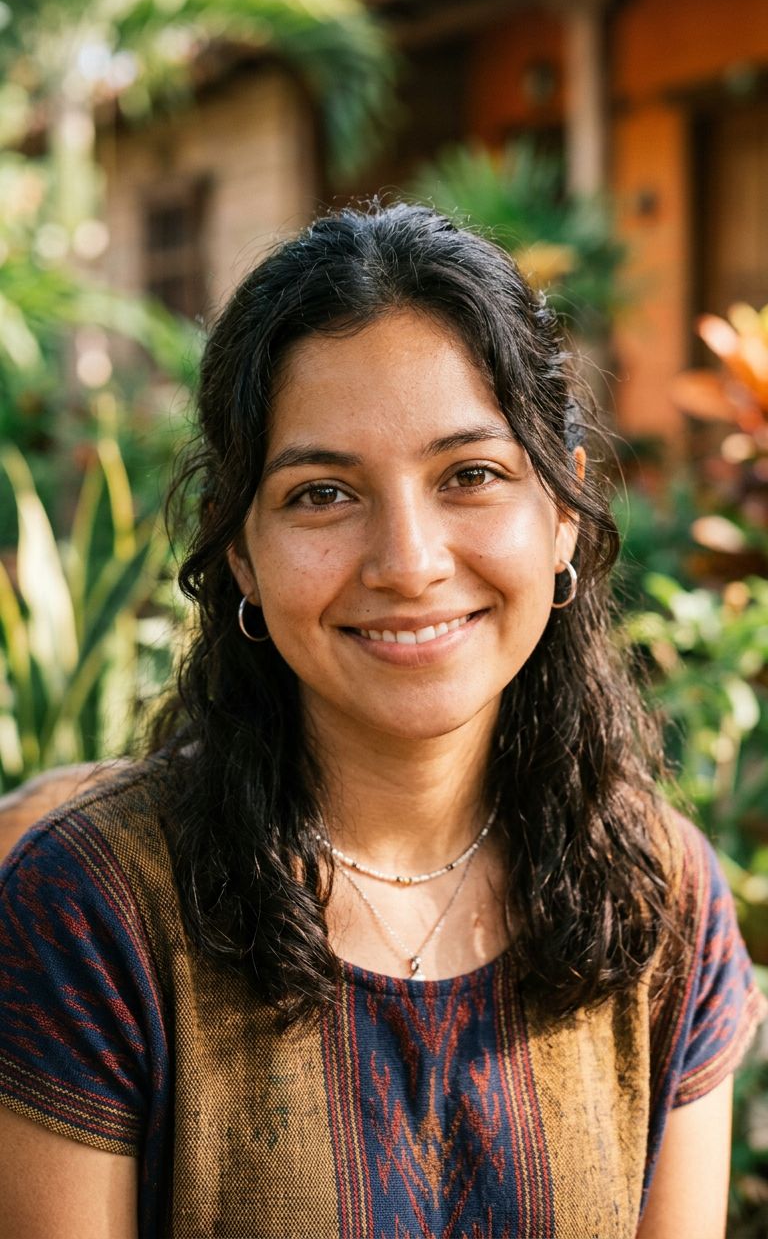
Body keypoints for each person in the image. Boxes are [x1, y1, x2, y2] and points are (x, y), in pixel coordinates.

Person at [0, 202, 764, 1239]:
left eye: (472, 475)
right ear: (241, 554)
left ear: (564, 514)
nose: (408, 562)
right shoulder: (91, 915)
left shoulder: (662, 904)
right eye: (322, 493)